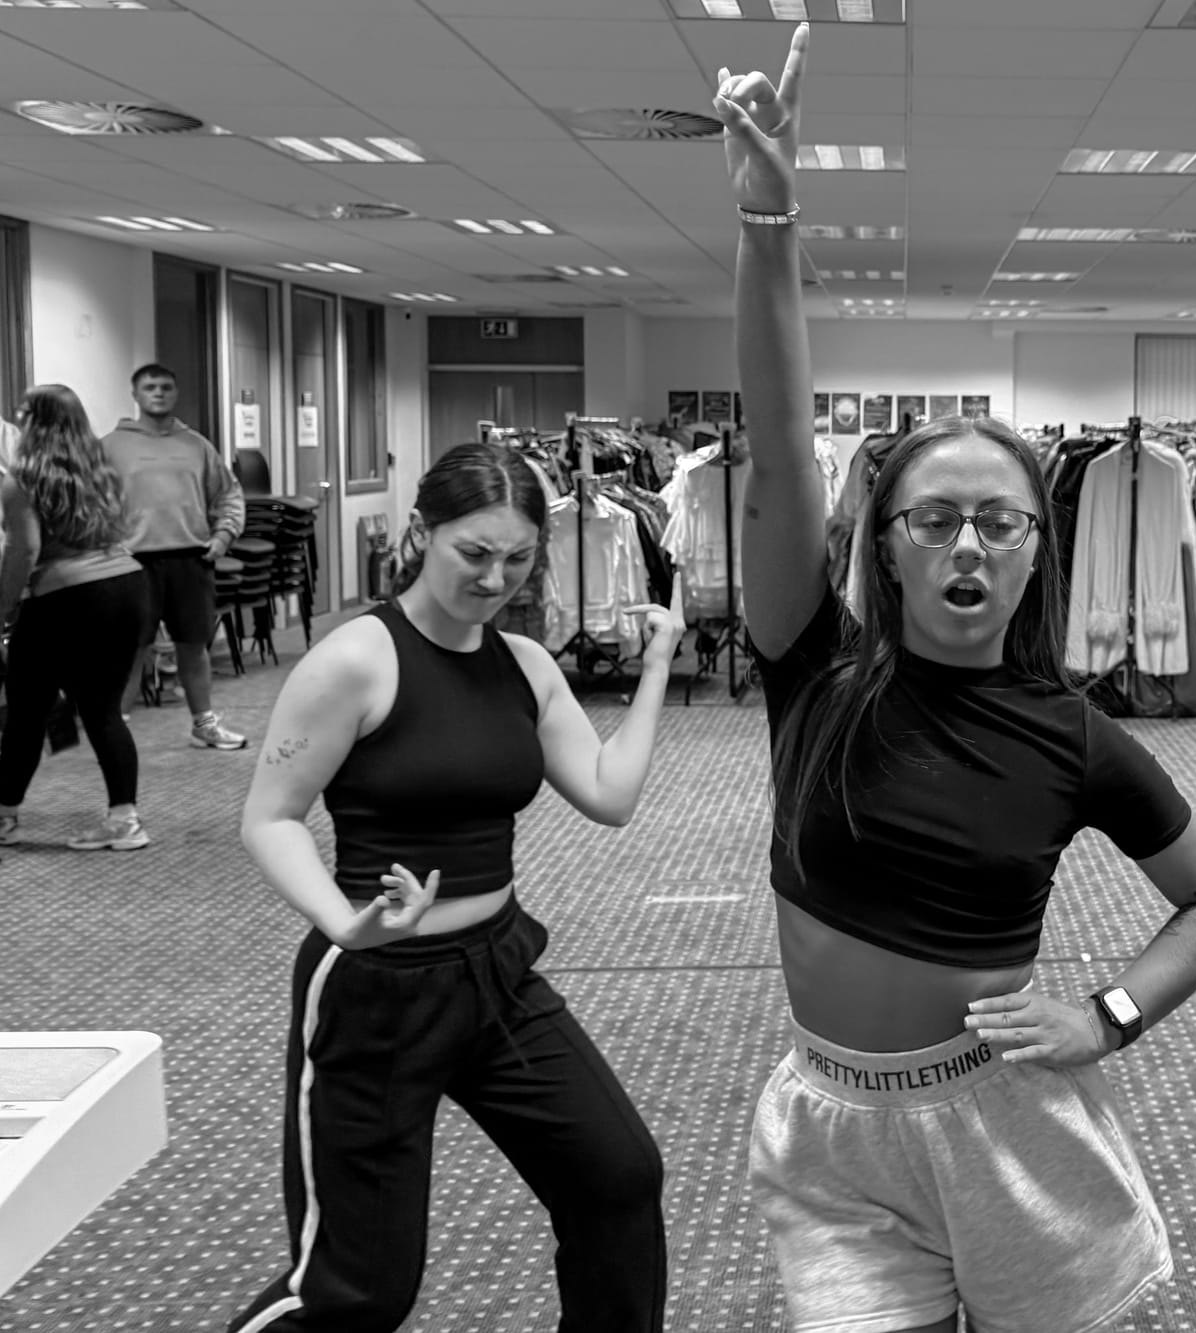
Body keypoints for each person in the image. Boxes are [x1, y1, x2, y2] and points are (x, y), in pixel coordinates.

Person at [715, 26, 1196, 1333]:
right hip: (834, 1129)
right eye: (935, 517)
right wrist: (770, 221)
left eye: (999, 521)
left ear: (1033, 549)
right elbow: (780, 452)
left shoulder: (1071, 734)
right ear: (885, 543)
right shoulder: (813, 669)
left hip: (1007, 1118)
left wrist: (1108, 1016)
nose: (968, 544)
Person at [228, 442, 685, 1333]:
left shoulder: (524, 663)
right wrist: (344, 924)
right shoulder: (357, 659)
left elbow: (609, 795)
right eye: (473, 553)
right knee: (358, 1290)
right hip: (377, 990)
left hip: (496, 972)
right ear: (421, 532)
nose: (494, 579)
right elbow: (270, 818)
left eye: (517, 559)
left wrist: (659, 664)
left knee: (618, 1180)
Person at [0, 385, 151, 851]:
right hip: (125, 585)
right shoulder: (102, 470)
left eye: (22, 416)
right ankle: (125, 820)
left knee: (26, 711)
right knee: (103, 712)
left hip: (68, 598)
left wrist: (4, 607)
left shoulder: (22, 480)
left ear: (33, 423)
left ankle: (4, 814)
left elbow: (24, 550)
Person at [101, 363, 248, 749]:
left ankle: (204, 725)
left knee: (193, 646)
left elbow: (228, 494)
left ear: (176, 393)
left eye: (166, 386)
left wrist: (223, 536)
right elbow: (91, 503)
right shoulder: (109, 447)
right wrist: (105, 548)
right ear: (135, 394)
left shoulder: (196, 445)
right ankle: (115, 734)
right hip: (132, 563)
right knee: (130, 650)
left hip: (190, 559)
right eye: (150, 387)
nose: (159, 393)